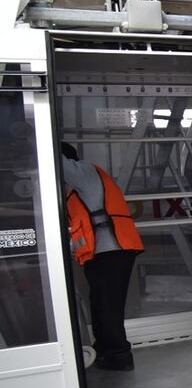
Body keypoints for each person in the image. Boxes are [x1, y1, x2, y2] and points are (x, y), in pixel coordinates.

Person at [61, 143, 144, 371]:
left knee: (108, 307)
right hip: (99, 253)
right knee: (99, 305)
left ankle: (119, 357)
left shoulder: (84, 171)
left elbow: (57, 163)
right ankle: (105, 350)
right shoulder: (77, 190)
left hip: (113, 251)